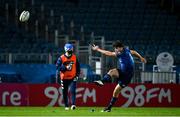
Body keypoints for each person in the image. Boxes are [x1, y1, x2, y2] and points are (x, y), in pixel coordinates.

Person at [91, 40, 146, 112]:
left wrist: (98, 49)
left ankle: (109, 107)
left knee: (115, 92)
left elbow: (109, 53)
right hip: (122, 72)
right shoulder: (126, 50)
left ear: (120, 48)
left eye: (116, 48)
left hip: (127, 77)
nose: (115, 49)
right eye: (115, 48)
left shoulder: (122, 53)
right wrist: (141, 57)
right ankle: (102, 81)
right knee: (111, 71)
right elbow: (134, 52)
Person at [56, 43, 80, 110]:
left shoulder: (75, 57)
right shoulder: (61, 58)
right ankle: (66, 105)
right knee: (65, 92)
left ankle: (73, 104)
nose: (69, 52)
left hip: (73, 77)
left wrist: (77, 75)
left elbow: (78, 67)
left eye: (71, 50)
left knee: (73, 91)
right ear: (66, 50)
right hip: (64, 78)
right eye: (68, 50)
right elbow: (57, 67)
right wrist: (65, 67)